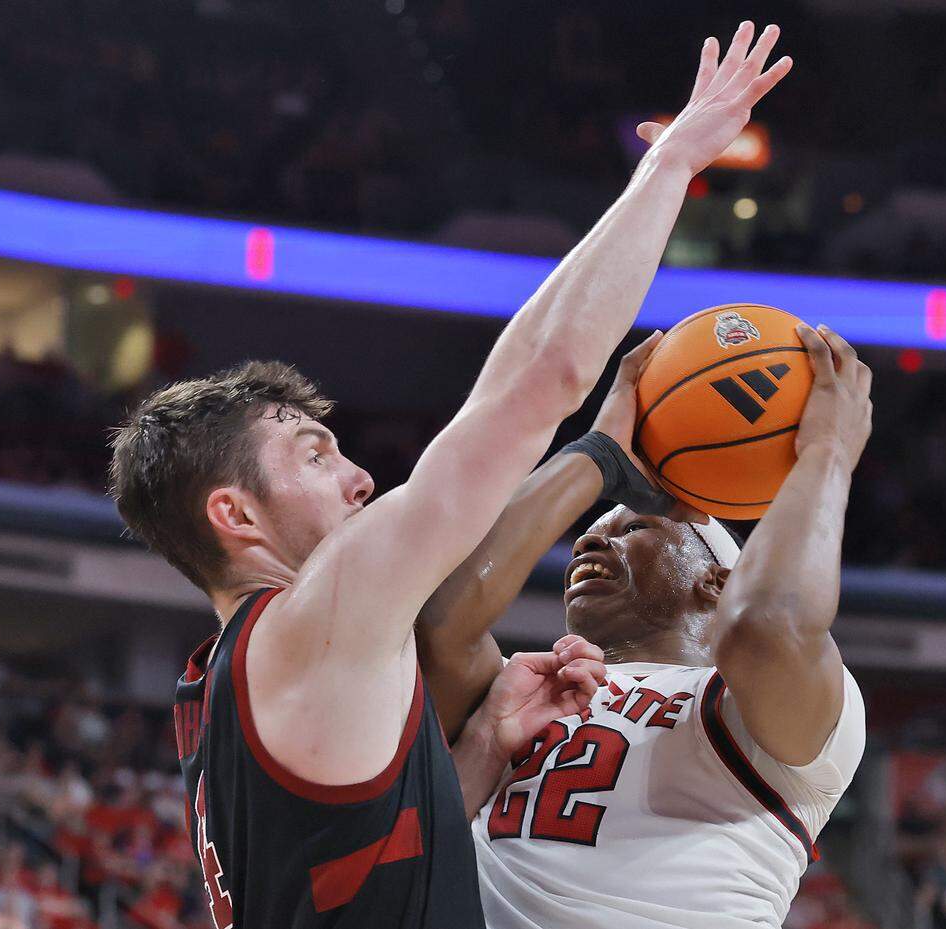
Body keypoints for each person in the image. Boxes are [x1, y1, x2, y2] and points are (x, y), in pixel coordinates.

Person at [108, 20, 792, 928]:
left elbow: (356, 881)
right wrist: (669, 168)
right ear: (234, 514)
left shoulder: (224, 685)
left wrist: (477, 752)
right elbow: (539, 379)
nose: (359, 480)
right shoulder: (312, 622)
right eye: (314, 457)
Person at [417, 317, 872, 928]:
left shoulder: (769, 708)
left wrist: (826, 453)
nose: (586, 546)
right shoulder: (522, 696)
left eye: (631, 529)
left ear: (717, 581)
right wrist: (597, 457)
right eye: (584, 537)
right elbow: (438, 621)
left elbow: (765, 622)